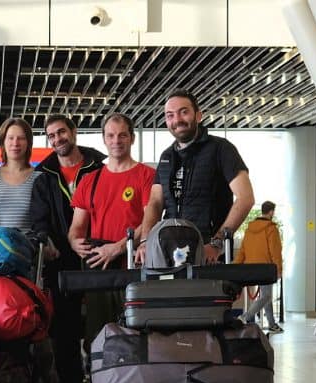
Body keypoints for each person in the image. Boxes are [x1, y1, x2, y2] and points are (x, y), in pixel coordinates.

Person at [30, 114, 106, 383]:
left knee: (102, 331)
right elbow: (39, 220)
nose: (57, 139)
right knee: (64, 334)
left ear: (73, 132)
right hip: (61, 262)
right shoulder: (44, 176)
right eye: (51, 135)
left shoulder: (100, 167)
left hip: (101, 257)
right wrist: (47, 241)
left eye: (61, 132)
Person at [136, 89, 255, 264]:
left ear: (198, 116)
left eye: (184, 112)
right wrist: (145, 241)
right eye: (170, 115)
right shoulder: (167, 156)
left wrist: (217, 243)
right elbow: (155, 202)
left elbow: (246, 198)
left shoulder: (221, 149)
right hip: (168, 252)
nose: (177, 120)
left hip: (209, 254)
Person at [68, 113, 155, 348]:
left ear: (132, 138)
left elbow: (150, 221)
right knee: (98, 336)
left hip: (133, 267)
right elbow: (77, 227)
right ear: (104, 139)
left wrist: (117, 248)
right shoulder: (90, 180)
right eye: (111, 135)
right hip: (99, 268)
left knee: (135, 335)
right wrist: (74, 241)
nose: (116, 141)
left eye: (122, 135)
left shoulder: (147, 176)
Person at [0, 117, 42, 232]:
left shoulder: (39, 178)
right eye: (10, 138)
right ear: (3, 142)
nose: (15, 143)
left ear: (28, 143)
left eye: (21, 138)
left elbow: (44, 221)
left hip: (27, 243)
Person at [235, 201, 284, 333]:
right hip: (265, 269)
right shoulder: (271, 229)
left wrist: (235, 267)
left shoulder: (249, 229)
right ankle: (244, 317)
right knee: (266, 296)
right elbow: (275, 251)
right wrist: (279, 269)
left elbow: (242, 251)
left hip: (251, 269)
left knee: (265, 295)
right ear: (271, 212)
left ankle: (272, 324)